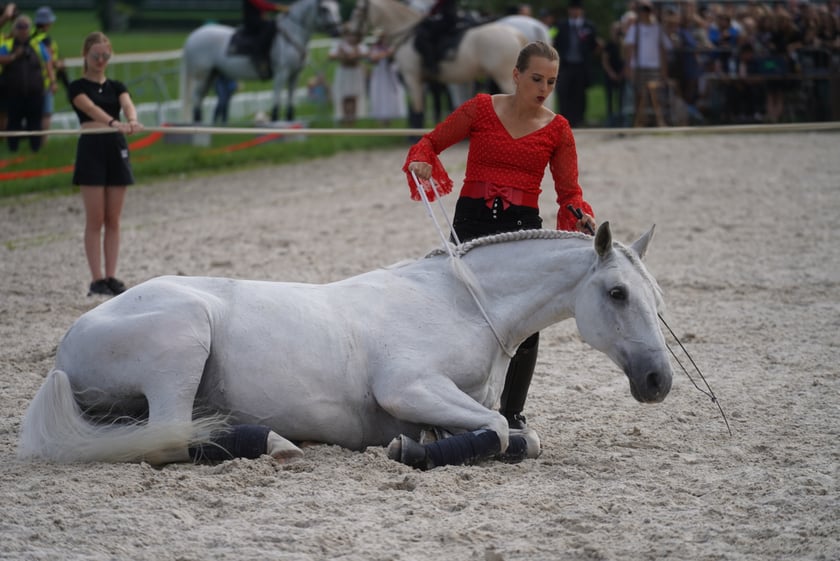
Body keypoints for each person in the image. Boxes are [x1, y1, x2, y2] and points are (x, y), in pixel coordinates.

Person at [403, 41, 596, 430]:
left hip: (522, 231)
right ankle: (447, 405)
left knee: (525, 323)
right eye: (536, 78)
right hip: (472, 222)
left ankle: (512, 414)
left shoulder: (558, 130)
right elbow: (430, 142)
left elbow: (569, 192)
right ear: (516, 75)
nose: (543, 87)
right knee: (454, 310)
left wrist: (581, 216)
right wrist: (423, 160)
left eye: (551, 81)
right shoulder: (479, 108)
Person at [67, 31, 143, 297]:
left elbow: (127, 104)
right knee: (95, 219)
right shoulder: (77, 87)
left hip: (115, 147)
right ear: (85, 56)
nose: (100, 60)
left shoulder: (117, 86)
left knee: (113, 219)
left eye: (105, 56)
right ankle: (96, 278)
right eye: (95, 55)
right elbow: (90, 110)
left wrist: (131, 120)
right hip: (92, 148)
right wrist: (113, 122)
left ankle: (111, 275)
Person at [0, 13, 55, 153]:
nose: (23, 30)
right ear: (15, 28)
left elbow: (48, 61)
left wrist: (52, 81)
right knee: (13, 122)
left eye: (26, 27)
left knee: (35, 122)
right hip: (13, 92)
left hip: (35, 91)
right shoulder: (8, 44)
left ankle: (35, 150)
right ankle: (13, 150)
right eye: (20, 26)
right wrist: (14, 56)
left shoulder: (36, 44)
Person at [623, 0, 671, 126]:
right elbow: (629, 49)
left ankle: (655, 121)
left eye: (647, 10)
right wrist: (628, 67)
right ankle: (640, 122)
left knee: (656, 96)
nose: (645, 13)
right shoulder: (635, 29)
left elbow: (664, 50)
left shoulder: (658, 29)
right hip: (639, 67)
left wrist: (664, 70)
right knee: (639, 95)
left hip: (655, 67)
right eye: (643, 10)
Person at [554, 0, 600, 127]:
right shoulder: (561, 25)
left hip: (581, 65)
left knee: (579, 93)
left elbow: (593, 45)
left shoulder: (589, 26)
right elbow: (554, 40)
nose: (575, 11)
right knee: (563, 91)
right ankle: (563, 119)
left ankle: (578, 119)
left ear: (581, 11)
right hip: (565, 65)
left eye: (577, 9)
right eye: (573, 9)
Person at [31, 6, 63, 144]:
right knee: (46, 113)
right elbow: (49, 60)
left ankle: (32, 140)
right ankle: (42, 142)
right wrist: (54, 77)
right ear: (47, 23)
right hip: (44, 81)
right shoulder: (46, 39)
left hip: (29, 80)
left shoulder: (30, 35)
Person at [329, 26, 367, 126]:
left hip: (355, 72)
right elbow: (331, 55)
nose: (351, 37)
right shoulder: (340, 44)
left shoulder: (359, 45)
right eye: (348, 34)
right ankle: (345, 119)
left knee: (354, 96)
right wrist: (343, 55)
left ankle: (353, 120)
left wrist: (349, 56)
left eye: (353, 35)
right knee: (345, 96)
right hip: (344, 72)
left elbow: (364, 54)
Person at [242, 0, 288, 79]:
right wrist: (280, 8)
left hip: (258, 20)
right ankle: (258, 55)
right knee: (270, 26)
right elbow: (262, 5)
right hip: (251, 23)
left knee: (272, 24)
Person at [367, 30, 405, 125]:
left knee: (391, 95)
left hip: (392, 74)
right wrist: (387, 53)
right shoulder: (376, 47)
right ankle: (381, 120)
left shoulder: (394, 47)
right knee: (381, 95)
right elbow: (372, 58)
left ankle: (392, 118)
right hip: (380, 74)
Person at [414, 0, 458, 75]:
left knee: (422, 36)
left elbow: (437, 5)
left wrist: (429, 14)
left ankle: (432, 66)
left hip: (447, 19)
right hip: (451, 17)